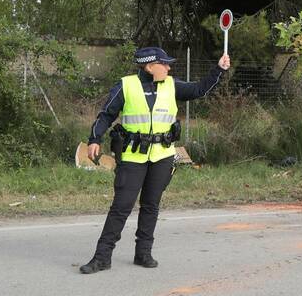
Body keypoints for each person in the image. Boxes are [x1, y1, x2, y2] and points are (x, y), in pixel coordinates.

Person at [79, 46, 230, 274]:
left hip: (162, 156)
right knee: (121, 207)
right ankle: (102, 258)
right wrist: (94, 139)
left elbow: (199, 90)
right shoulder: (126, 85)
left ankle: (143, 253)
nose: (169, 67)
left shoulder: (172, 84)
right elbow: (106, 114)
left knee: (151, 205)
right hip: (132, 157)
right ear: (150, 67)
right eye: (165, 64)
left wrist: (218, 69)